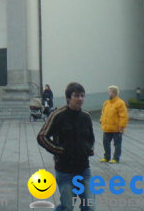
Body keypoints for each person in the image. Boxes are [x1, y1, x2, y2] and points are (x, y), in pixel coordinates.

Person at [37, 82, 95, 211]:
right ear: (68, 98)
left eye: (82, 96)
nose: (80, 99)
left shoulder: (86, 116)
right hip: (65, 170)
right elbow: (42, 136)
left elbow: (91, 137)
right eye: (76, 96)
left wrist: (88, 150)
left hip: (84, 169)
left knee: (90, 206)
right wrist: (59, 151)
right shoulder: (58, 115)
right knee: (67, 207)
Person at [100, 85, 129, 164]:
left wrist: (122, 126)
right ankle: (106, 157)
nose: (108, 93)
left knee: (117, 144)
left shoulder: (120, 103)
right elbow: (103, 113)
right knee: (105, 142)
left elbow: (123, 116)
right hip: (107, 128)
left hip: (116, 128)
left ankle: (116, 158)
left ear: (114, 92)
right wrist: (101, 120)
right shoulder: (106, 103)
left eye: (109, 91)